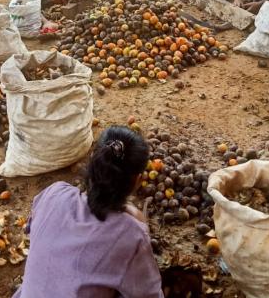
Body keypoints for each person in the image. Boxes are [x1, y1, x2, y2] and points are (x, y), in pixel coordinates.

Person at [13, 127, 163, 298]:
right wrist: (140, 225)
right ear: (137, 180)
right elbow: (149, 295)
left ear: (93, 160)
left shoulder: (54, 193)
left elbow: (31, 229)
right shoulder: (131, 234)